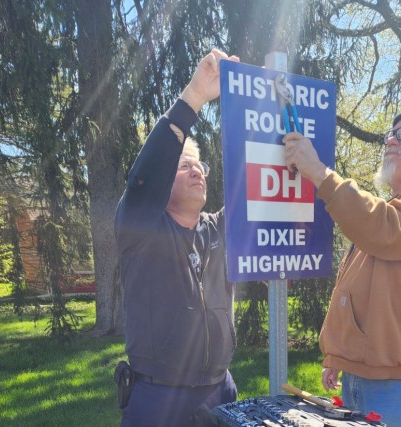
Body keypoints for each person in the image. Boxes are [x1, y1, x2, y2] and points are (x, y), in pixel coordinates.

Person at [283, 105, 401, 427]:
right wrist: (338, 356)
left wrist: (319, 172)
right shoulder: (400, 205)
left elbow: (382, 229)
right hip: (365, 377)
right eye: (390, 135)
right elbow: (355, 285)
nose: (391, 142)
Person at [114, 48, 240, 427]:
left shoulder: (219, 228)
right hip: (158, 400)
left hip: (221, 392)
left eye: (199, 166)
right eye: (184, 166)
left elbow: (256, 188)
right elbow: (146, 174)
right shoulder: (140, 227)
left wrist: (260, 102)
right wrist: (196, 97)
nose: (197, 172)